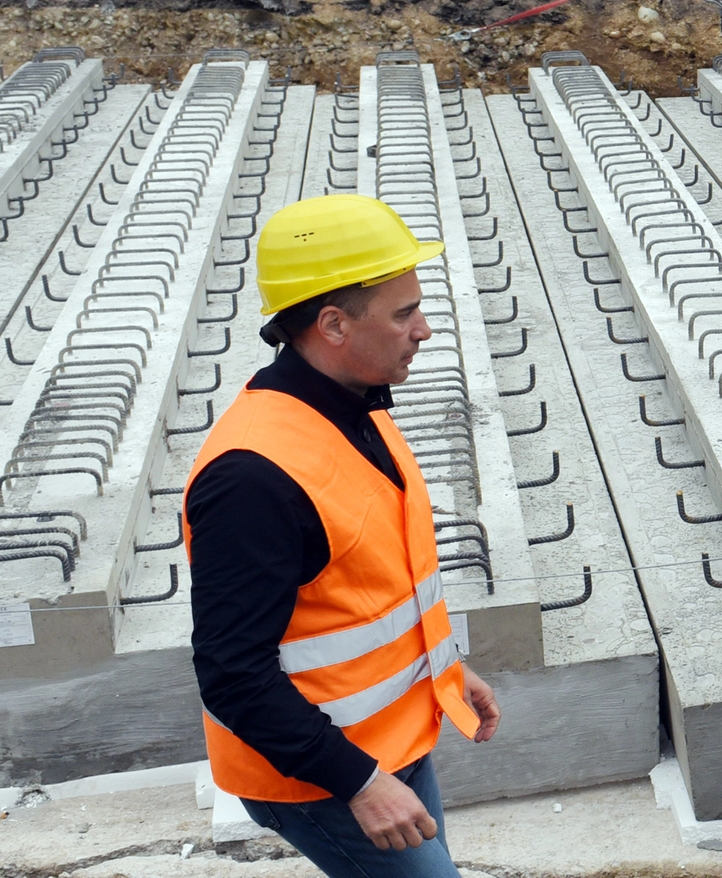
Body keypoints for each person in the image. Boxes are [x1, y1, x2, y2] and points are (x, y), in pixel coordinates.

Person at [184, 194, 502, 878]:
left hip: (388, 745)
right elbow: (232, 675)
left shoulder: (354, 406)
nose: (424, 329)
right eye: (403, 312)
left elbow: (365, 589)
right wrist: (359, 782)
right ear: (332, 324)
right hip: (323, 779)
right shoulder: (251, 478)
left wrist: (444, 669)